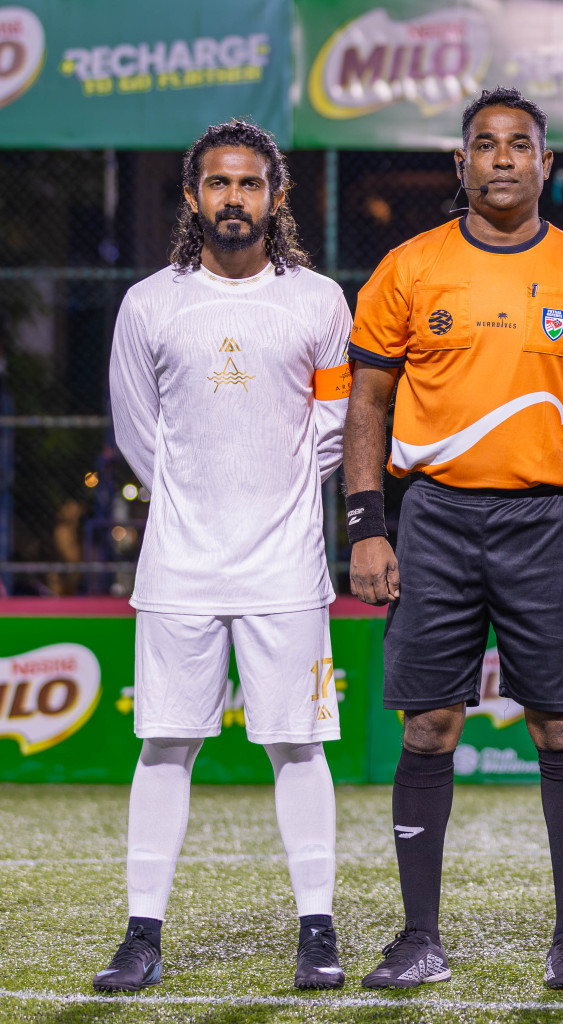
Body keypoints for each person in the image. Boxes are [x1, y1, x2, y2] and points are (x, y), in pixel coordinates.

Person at [344, 88, 563, 990]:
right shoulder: (409, 267)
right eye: (484, 145)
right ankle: (418, 936)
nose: (502, 158)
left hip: (547, 524)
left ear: (547, 165)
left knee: (558, 722)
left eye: (520, 146)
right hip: (433, 518)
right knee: (430, 724)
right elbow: (368, 403)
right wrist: (367, 524)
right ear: (459, 165)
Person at [98, 120, 352, 992]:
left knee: (299, 746)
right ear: (192, 196)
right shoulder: (150, 303)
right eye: (218, 184)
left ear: (276, 196)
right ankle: (141, 935)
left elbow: (334, 427)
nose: (233, 199)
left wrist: (277, 492)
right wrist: (194, 504)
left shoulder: (319, 301)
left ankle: (317, 930)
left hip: (285, 566)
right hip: (179, 566)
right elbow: (139, 433)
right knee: (165, 745)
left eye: (250, 184)